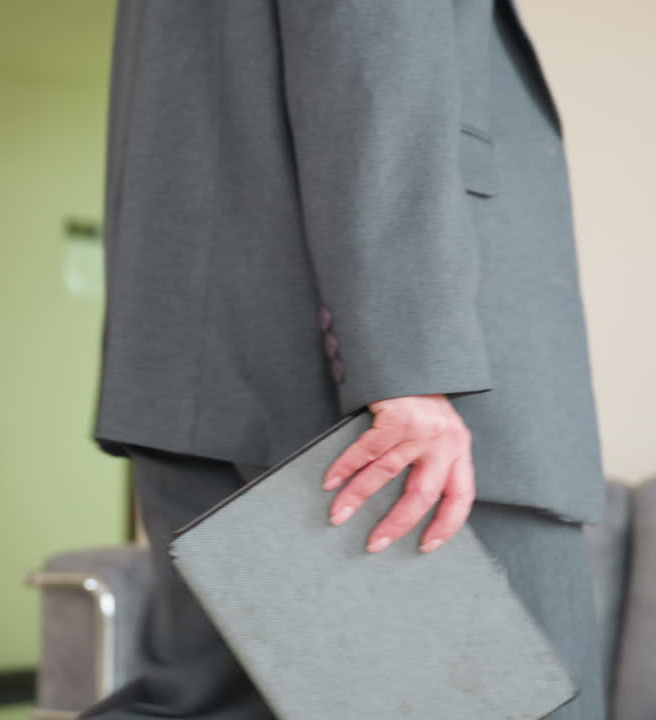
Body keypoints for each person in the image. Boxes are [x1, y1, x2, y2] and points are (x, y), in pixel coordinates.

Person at [83, 1, 607, 718]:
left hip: (195, 357)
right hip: (374, 383)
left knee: (211, 703)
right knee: (511, 704)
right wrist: (412, 366)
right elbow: (372, 55)